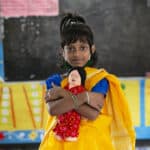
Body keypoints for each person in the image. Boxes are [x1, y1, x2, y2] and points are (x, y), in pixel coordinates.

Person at [39, 13, 136, 150]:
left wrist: (63, 94)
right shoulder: (55, 81)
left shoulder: (100, 79)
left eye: (82, 48)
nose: (77, 54)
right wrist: (85, 97)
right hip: (60, 143)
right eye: (71, 49)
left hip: (93, 143)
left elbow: (93, 114)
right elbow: (53, 110)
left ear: (92, 49)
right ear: (62, 52)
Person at [53, 67, 86, 141]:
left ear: (82, 79)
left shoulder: (81, 91)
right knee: (61, 123)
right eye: (71, 75)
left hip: (74, 113)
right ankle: (61, 134)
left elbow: (83, 102)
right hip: (63, 112)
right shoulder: (64, 88)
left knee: (72, 124)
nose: (73, 77)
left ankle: (71, 135)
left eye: (76, 76)